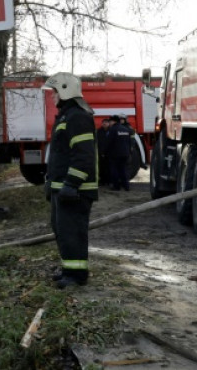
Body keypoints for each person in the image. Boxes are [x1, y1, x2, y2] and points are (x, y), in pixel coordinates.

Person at [42, 72, 98, 289]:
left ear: (65, 90)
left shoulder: (77, 117)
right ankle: (69, 269)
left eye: (54, 92)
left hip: (76, 190)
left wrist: (71, 184)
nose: (52, 96)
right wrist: (51, 182)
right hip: (63, 188)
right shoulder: (67, 116)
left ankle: (77, 276)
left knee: (73, 232)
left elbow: (83, 156)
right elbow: (60, 156)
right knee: (62, 230)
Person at [106, 115, 132, 191]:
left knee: (114, 170)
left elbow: (109, 142)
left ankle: (116, 186)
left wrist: (105, 151)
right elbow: (129, 142)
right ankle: (126, 186)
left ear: (114, 121)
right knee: (123, 170)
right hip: (125, 153)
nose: (109, 123)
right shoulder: (125, 129)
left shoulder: (113, 129)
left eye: (110, 121)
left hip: (115, 154)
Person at [96, 118, 111, 185]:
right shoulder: (99, 131)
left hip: (109, 153)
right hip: (100, 152)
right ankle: (102, 180)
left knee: (109, 167)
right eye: (103, 122)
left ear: (108, 123)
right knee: (101, 167)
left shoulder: (111, 131)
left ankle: (109, 180)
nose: (104, 124)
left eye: (106, 122)